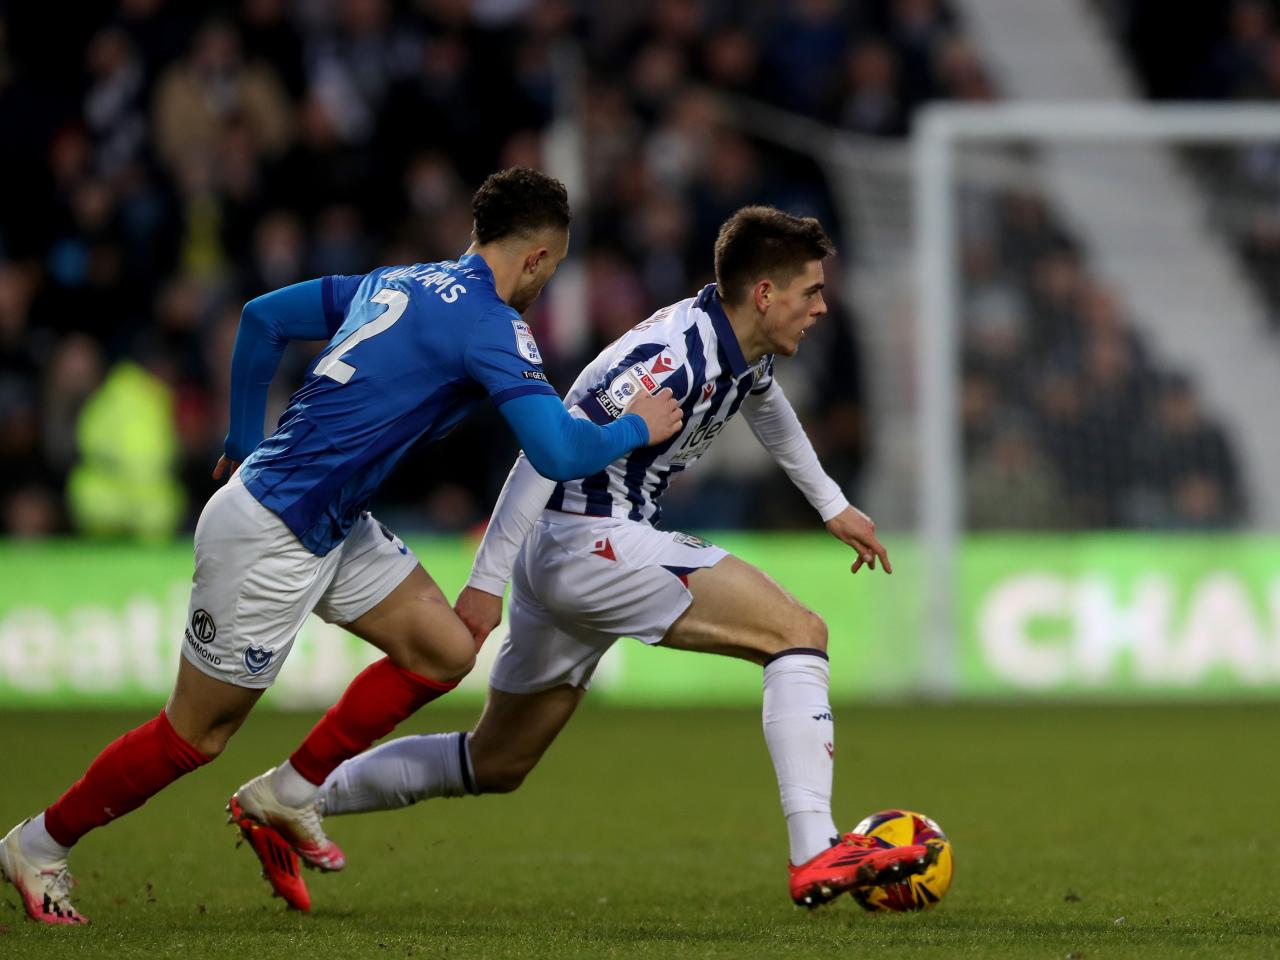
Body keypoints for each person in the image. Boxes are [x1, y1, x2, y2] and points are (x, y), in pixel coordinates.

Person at [0, 167, 684, 925]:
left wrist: (243, 439)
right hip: (271, 533)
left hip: (326, 517)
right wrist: (636, 428)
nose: (545, 284)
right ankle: (38, 843)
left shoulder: (399, 280)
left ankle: (287, 793)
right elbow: (556, 452)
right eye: (550, 270)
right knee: (195, 735)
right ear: (537, 259)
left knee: (444, 649)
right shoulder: (492, 324)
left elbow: (261, 318)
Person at [240, 206, 938, 912]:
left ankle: (289, 797)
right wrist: (484, 584)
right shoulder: (670, 359)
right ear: (764, 294)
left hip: (573, 554)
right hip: (593, 541)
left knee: (497, 761)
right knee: (799, 633)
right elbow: (540, 458)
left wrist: (830, 505)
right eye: (810, 292)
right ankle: (815, 849)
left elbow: (764, 402)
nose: (822, 306)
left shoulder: (737, 345)